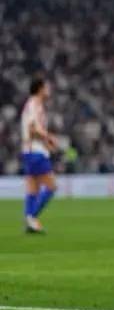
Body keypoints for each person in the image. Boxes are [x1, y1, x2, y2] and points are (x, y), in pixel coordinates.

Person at [20, 77, 58, 234]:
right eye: (47, 87)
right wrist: (49, 137)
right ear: (40, 89)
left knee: (33, 188)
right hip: (35, 152)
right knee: (51, 187)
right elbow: (32, 129)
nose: (49, 90)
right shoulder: (34, 105)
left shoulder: (33, 104)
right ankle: (31, 218)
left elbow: (32, 130)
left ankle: (30, 221)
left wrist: (47, 144)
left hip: (30, 151)